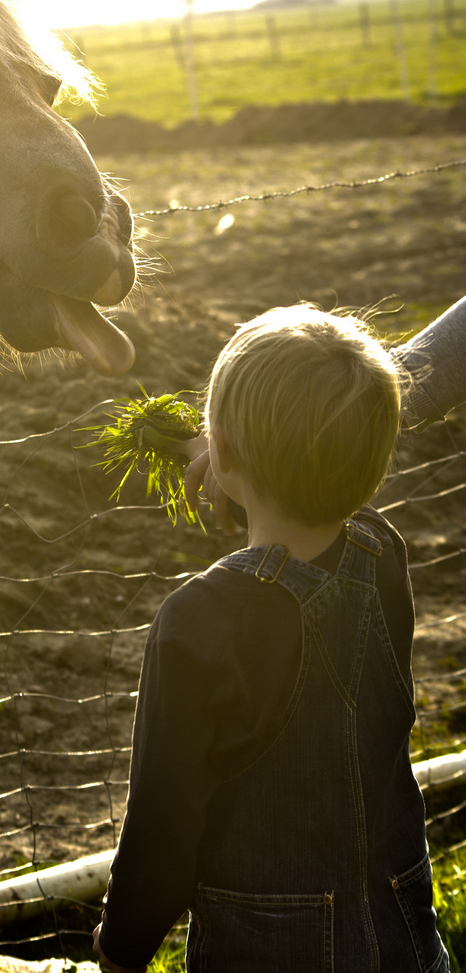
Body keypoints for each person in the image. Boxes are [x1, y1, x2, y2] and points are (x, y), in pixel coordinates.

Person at [92, 301, 456, 972]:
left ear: (219, 448)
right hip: (403, 937)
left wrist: (119, 949)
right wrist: (254, 461)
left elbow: (163, 830)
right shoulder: (381, 554)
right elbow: (324, 487)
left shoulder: (199, 620)